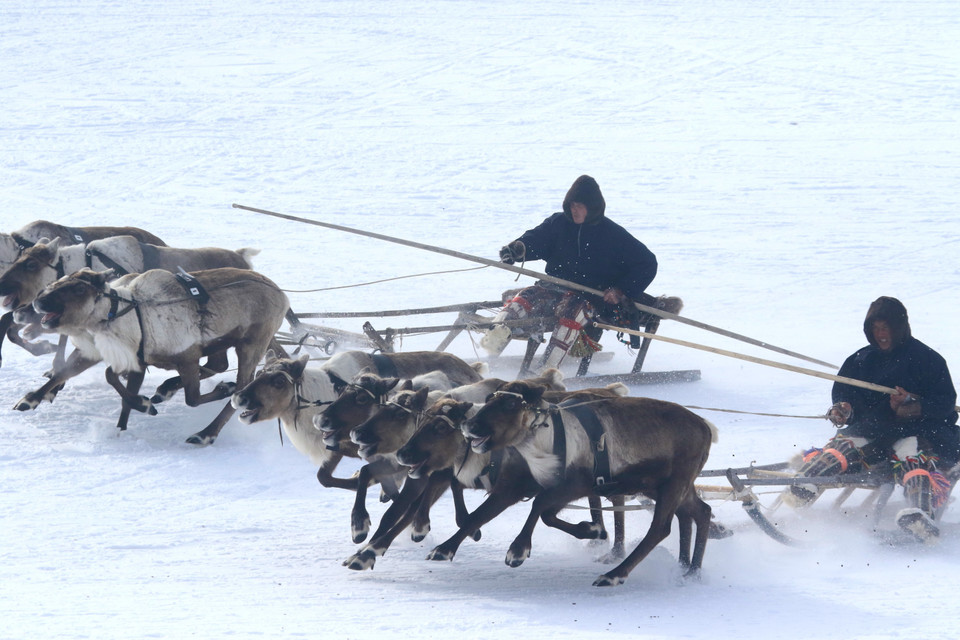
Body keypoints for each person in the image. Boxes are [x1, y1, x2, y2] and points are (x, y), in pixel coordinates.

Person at [785, 296, 960, 542]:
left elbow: (944, 402)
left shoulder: (928, 360)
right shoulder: (861, 360)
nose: (881, 334)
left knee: (912, 455)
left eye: (886, 328)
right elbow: (845, 393)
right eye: (875, 328)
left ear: (900, 327)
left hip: (917, 431)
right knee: (846, 444)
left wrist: (912, 405)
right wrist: (844, 409)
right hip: (874, 431)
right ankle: (805, 485)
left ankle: (921, 515)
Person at [481, 174, 667, 371]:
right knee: (523, 298)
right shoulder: (557, 224)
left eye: (580, 206)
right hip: (552, 287)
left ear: (592, 207)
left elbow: (646, 263)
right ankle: (489, 355)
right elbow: (534, 239)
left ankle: (547, 371)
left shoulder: (612, 234)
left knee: (571, 312)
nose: (574, 210)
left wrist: (621, 290)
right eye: (572, 205)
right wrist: (518, 249)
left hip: (590, 297)